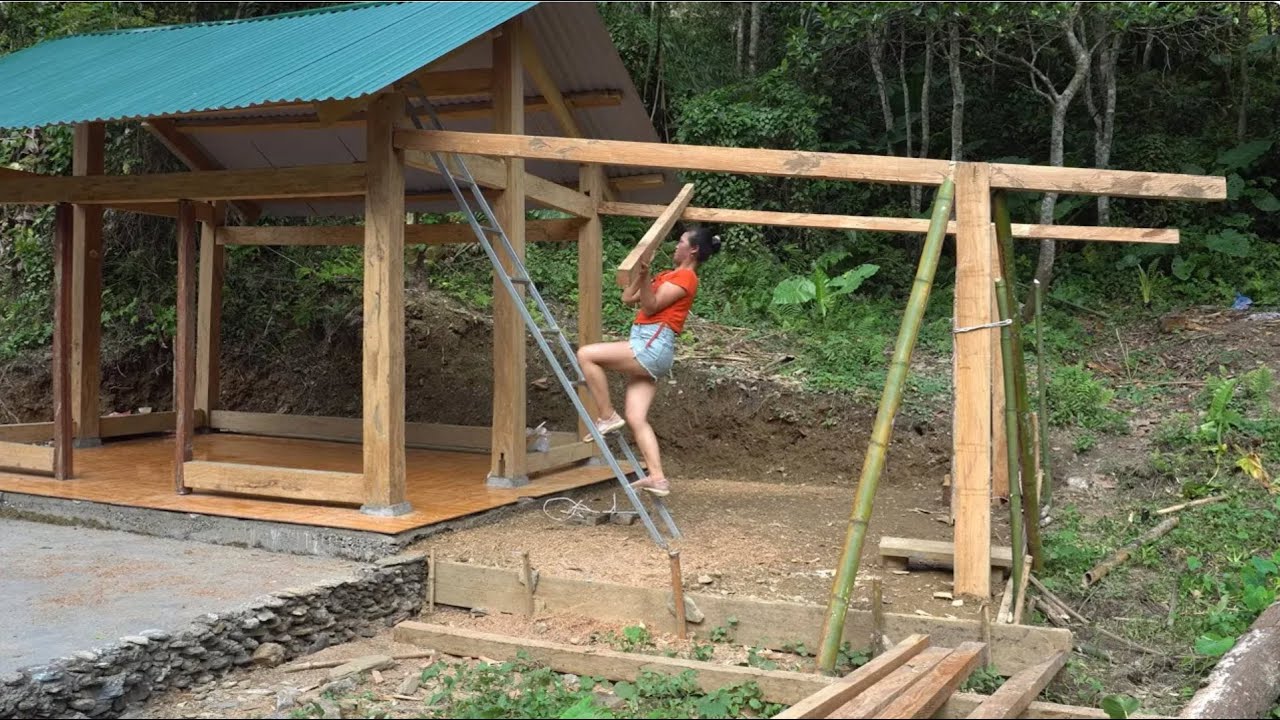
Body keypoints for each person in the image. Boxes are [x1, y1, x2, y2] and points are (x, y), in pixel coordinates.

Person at [575, 226, 722, 497]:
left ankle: (606, 415)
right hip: (652, 347)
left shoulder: (686, 277)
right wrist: (642, 274)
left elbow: (651, 306)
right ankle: (658, 477)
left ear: (693, 249)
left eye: (681, 242)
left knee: (586, 354)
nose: (675, 245)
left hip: (651, 345)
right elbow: (628, 298)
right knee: (636, 417)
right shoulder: (667, 275)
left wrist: (646, 279)